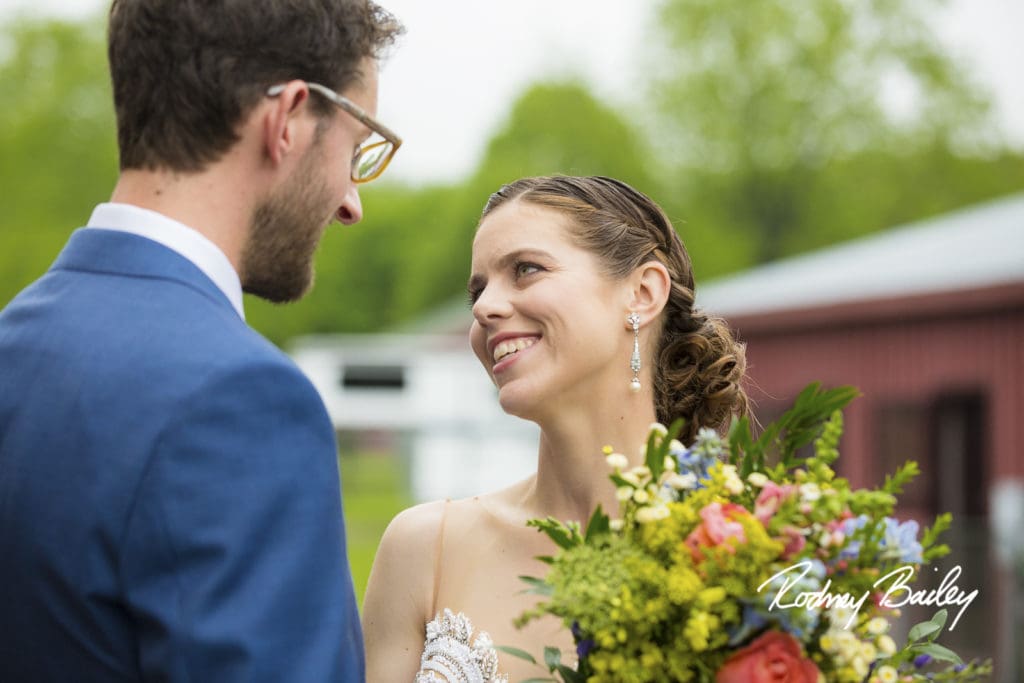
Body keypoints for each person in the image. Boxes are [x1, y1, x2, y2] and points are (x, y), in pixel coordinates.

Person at [0, 1, 402, 681]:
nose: (350, 203)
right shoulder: (242, 400)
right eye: (355, 150)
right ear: (290, 118)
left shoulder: (14, 344)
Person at [361, 175, 750, 681]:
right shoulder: (423, 548)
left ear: (642, 292)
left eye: (525, 270)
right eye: (477, 290)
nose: (483, 308)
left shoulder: (752, 550)